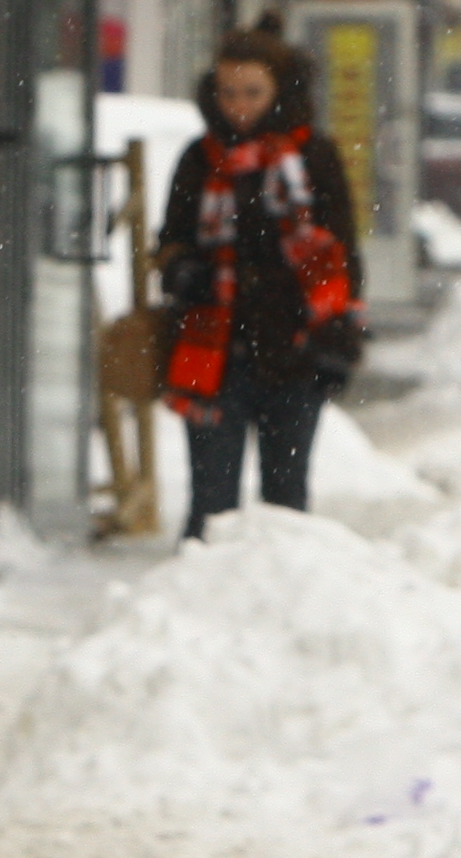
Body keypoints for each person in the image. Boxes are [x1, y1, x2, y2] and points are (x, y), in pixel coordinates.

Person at [155, 27, 362, 536]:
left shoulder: (313, 158)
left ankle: (281, 607)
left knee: (286, 503)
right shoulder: (200, 158)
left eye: (252, 92)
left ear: (280, 92)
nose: (238, 106)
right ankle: (196, 605)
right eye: (227, 93)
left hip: (294, 350)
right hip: (213, 350)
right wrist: (184, 271)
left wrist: (336, 336)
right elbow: (172, 240)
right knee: (210, 502)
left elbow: (340, 250)